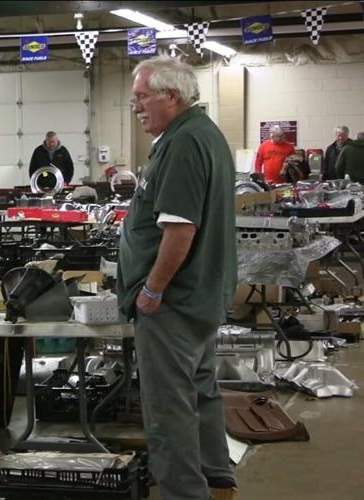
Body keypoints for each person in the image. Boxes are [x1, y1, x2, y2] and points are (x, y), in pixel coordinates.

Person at [117, 56, 237, 500]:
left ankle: (185, 493)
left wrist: (151, 290)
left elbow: (180, 228)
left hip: (174, 303)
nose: (137, 107)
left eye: (142, 97)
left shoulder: (185, 142)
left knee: (169, 411)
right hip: (200, 296)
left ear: (171, 96)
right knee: (201, 392)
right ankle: (217, 481)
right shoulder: (201, 134)